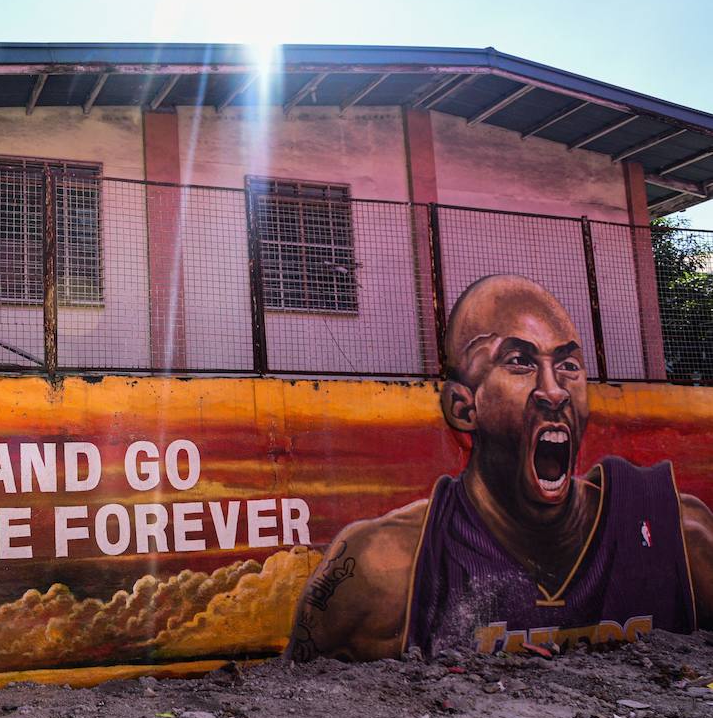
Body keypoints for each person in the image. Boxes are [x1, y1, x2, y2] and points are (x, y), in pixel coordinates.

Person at [285, 274, 713, 662]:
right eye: (520, 362)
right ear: (462, 407)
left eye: (568, 365)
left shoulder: (679, 538)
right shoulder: (381, 569)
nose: (554, 391)